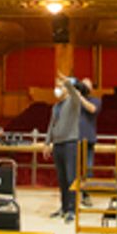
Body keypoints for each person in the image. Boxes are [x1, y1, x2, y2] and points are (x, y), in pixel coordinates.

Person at [44, 76, 86, 221]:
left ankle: (72, 210)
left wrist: (67, 82)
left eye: (60, 87)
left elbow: (75, 94)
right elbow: (51, 125)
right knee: (61, 178)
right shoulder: (56, 106)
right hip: (58, 144)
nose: (57, 89)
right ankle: (63, 207)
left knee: (70, 177)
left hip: (70, 143)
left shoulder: (73, 102)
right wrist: (47, 143)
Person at [78, 78, 101, 205]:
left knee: (88, 169)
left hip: (89, 140)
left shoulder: (96, 100)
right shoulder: (74, 101)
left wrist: (80, 97)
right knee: (72, 169)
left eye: (87, 86)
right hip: (74, 139)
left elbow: (91, 109)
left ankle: (86, 195)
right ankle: (71, 198)